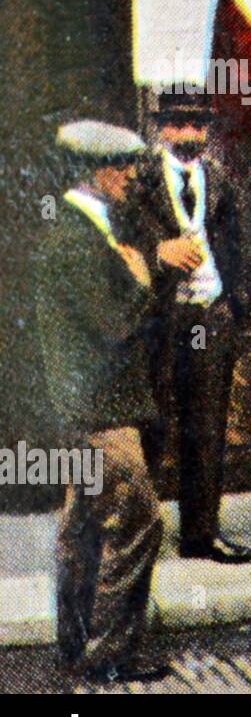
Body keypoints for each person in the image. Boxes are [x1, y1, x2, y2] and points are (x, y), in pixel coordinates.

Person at [34, 121, 169, 683]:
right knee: (139, 522)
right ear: (97, 172)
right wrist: (146, 276)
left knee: (82, 531)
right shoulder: (75, 239)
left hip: (85, 411)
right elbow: (114, 325)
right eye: (125, 166)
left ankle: (76, 647)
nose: (135, 176)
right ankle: (111, 653)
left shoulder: (79, 230)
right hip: (101, 416)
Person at [123, 92, 251, 564]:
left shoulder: (217, 179)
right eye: (179, 125)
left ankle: (202, 533)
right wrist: (159, 253)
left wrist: (238, 307)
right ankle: (141, 532)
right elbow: (122, 239)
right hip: (159, 320)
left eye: (198, 126)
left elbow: (238, 245)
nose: (189, 136)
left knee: (207, 427)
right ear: (161, 129)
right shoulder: (140, 180)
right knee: (151, 424)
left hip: (210, 314)